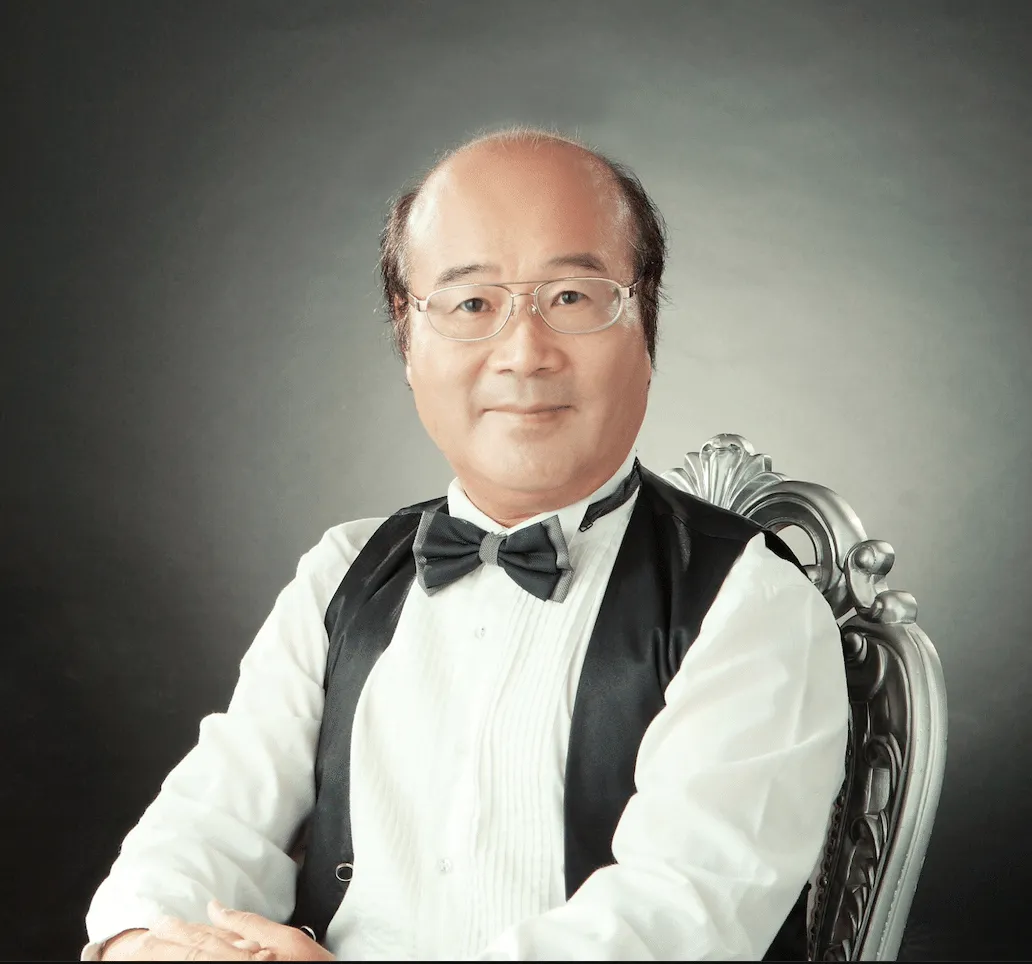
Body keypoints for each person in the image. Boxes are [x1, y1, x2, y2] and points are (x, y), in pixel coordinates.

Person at [83, 126, 848, 961]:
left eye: (571, 297)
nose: (524, 354)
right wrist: (145, 943)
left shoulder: (749, 600)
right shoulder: (342, 574)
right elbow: (211, 819)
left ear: (646, 326)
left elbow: (681, 918)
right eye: (473, 304)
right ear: (408, 342)